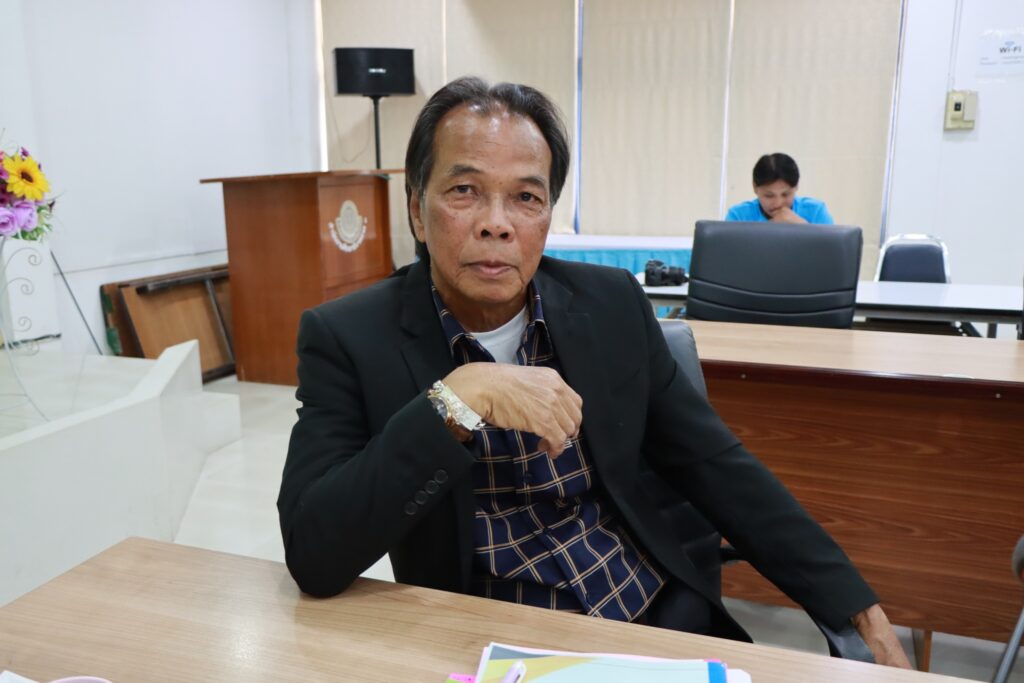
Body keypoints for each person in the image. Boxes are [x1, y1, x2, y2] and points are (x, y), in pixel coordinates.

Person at [277, 77, 910, 668]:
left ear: (547, 217)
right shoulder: (350, 337)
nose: (497, 223)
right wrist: (454, 401)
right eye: (464, 190)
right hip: (493, 646)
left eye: (526, 197)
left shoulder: (610, 304)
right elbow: (315, 551)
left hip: (652, 623)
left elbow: (717, 466)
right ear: (418, 210)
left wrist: (855, 606)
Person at [725, 153, 834, 224]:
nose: (778, 204)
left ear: (796, 186)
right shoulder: (738, 217)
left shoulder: (816, 212)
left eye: (785, 194)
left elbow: (832, 250)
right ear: (755, 187)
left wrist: (801, 226)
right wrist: (770, 228)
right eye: (769, 196)